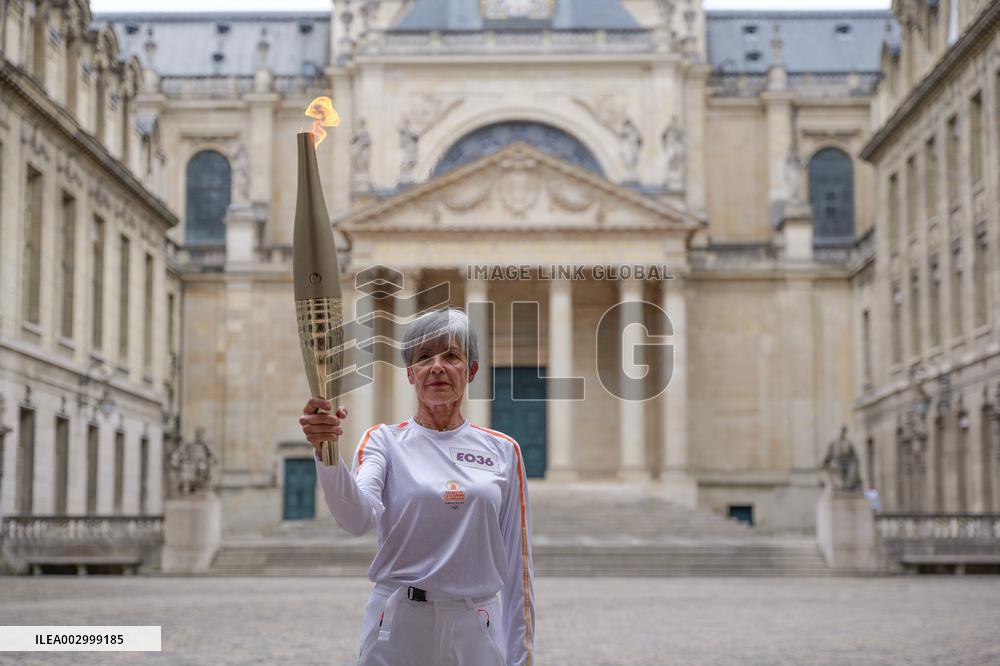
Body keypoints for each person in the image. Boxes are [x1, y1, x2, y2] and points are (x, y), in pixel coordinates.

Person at [299, 307, 534, 666]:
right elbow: (357, 519)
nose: (437, 366)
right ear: (411, 373)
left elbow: (519, 565)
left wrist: (521, 658)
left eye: (451, 355)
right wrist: (326, 450)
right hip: (398, 623)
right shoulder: (383, 442)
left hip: (476, 626)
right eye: (424, 357)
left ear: (471, 370)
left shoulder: (503, 450)